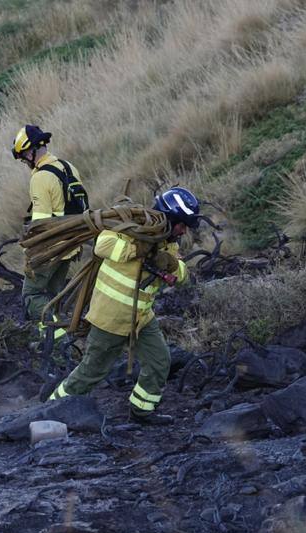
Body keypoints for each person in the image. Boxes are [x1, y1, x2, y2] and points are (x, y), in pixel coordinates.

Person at [47, 187, 201, 424]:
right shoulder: (133, 228)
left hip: (141, 319)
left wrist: (171, 265)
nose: (184, 231)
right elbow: (102, 245)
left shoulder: (168, 245)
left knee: (159, 362)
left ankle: (141, 412)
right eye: (182, 225)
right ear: (170, 218)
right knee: (91, 373)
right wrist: (138, 250)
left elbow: (183, 276)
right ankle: (51, 411)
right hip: (111, 318)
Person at [11, 125, 89, 338]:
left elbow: (41, 224)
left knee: (32, 296)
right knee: (53, 297)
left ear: (30, 151)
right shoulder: (69, 167)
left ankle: (57, 338)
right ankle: (50, 341)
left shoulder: (40, 178)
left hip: (51, 249)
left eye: (23, 158)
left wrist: (32, 254)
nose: (25, 162)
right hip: (72, 245)